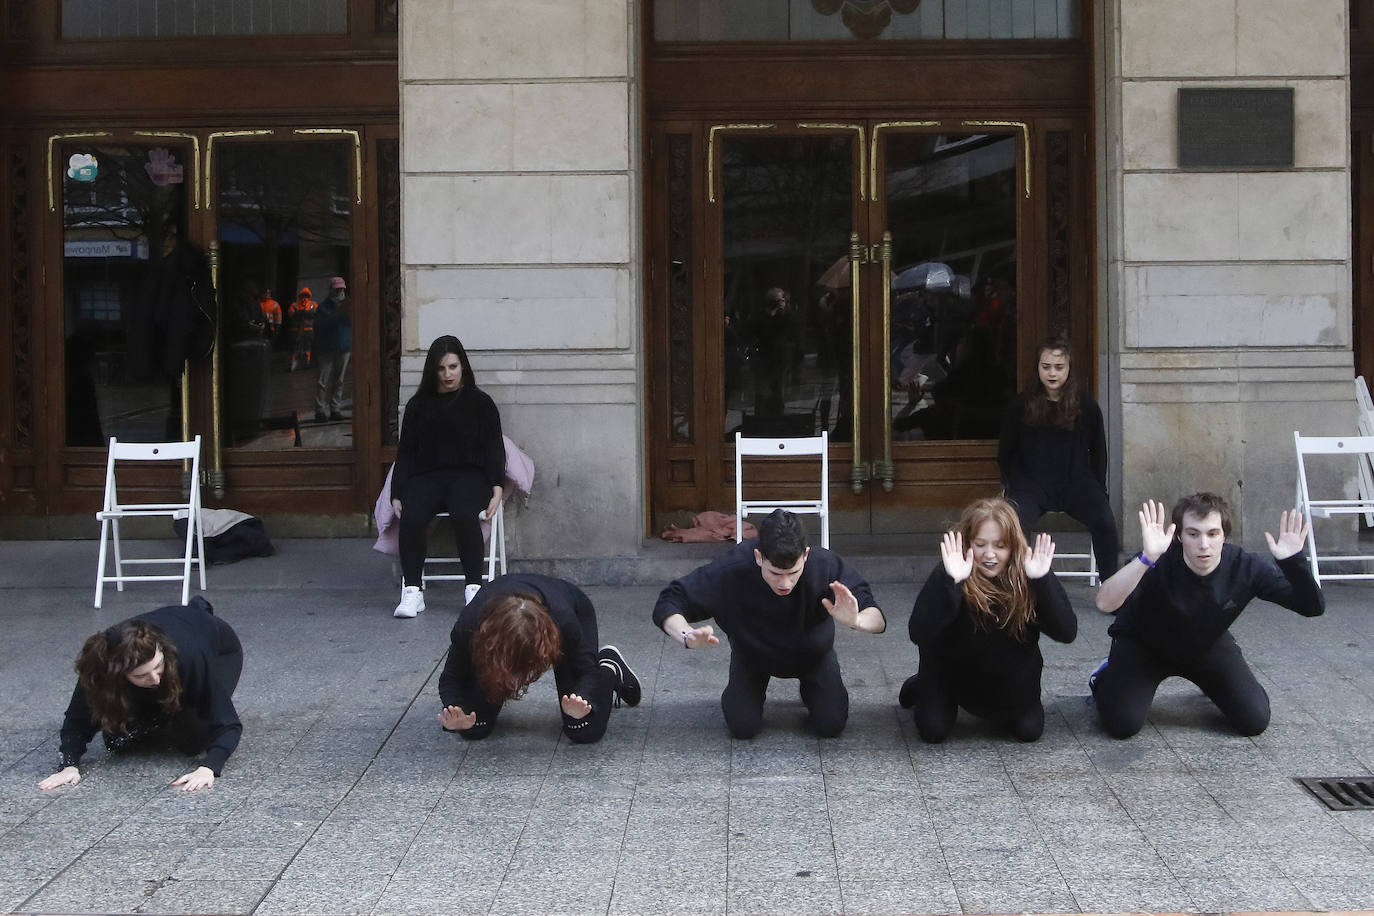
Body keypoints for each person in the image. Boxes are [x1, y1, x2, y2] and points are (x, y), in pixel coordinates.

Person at [1090, 494, 1324, 738]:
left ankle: (1215, 688)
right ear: (1179, 536)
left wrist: (1293, 563)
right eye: (1193, 534)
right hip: (1144, 647)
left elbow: (1312, 607)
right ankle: (1104, 675)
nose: (1204, 544)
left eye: (1212, 534)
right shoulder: (1158, 559)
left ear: (1224, 535)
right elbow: (1105, 603)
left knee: (1254, 720)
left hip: (1206, 643)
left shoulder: (1245, 566)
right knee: (1122, 725)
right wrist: (1146, 559)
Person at [651, 509, 886, 739]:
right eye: (775, 573)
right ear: (758, 557)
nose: (785, 583)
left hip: (814, 655)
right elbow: (669, 601)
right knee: (742, 727)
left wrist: (857, 620)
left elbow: (876, 617)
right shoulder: (732, 568)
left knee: (831, 724)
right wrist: (686, 636)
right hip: (753, 656)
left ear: (805, 555)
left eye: (793, 573)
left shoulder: (825, 565)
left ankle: (813, 690)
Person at [898, 497, 1076, 742]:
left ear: (1013, 546)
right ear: (968, 542)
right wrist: (951, 581)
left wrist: (1042, 580)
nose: (989, 554)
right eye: (980, 544)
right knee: (933, 730)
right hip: (952, 673)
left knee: (1029, 730)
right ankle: (922, 685)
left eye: (1000, 546)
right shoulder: (953, 569)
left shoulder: (1030, 571)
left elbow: (1067, 632)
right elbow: (918, 632)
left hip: (1008, 679)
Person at [37, 597, 243, 793]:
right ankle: (155, 713)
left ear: (162, 652)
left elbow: (228, 723)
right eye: (141, 675)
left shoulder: (189, 658)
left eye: (158, 667)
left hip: (220, 648)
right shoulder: (100, 667)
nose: (154, 678)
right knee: (119, 741)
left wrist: (209, 767)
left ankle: (162, 711)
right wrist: (69, 765)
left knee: (194, 738)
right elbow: (77, 719)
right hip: (168, 645)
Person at [437, 574, 640, 743]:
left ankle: (609, 666)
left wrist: (583, 697)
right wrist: (455, 709)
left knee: (582, 728)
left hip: (571, 606)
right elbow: (450, 677)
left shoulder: (565, 623)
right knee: (474, 727)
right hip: (495, 630)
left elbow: (587, 671)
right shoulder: (469, 626)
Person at [391, 335, 504, 618]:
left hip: (469, 475)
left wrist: (497, 486)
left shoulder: (480, 403)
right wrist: (396, 491)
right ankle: (412, 591)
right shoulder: (418, 405)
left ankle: (474, 589)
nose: (448, 374)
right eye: (441, 368)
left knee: (464, 513)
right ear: (433, 371)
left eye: (453, 367)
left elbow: (494, 448)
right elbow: (406, 453)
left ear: (462, 366)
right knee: (412, 514)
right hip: (428, 476)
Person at [998, 336, 1119, 575]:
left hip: (1077, 483)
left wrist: (1099, 488)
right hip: (1031, 484)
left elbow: (1098, 451)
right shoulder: (1021, 405)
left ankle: (1111, 584)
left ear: (1069, 368)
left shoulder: (1086, 405)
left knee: (1105, 521)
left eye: (1059, 367)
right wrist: (1010, 483)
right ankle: (1018, 584)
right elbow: (1006, 451)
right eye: (1046, 367)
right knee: (1013, 523)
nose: (1052, 373)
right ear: (1037, 368)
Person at [312, 276, 352, 422]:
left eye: (341, 289)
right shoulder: (323, 308)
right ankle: (320, 410)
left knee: (339, 380)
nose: (340, 292)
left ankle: (335, 408)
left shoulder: (348, 306)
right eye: (337, 289)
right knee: (323, 380)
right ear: (331, 290)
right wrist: (337, 314)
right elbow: (320, 326)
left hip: (344, 346)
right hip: (327, 348)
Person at [288, 287, 317, 371]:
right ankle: (293, 362)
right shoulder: (295, 305)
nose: (304, 298)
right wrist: (302, 313)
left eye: (306, 296)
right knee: (294, 346)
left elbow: (316, 313)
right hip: (296, 330)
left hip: (308, 329)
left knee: (308, 346)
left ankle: (307, 362)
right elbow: (291, 314)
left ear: (309, 296)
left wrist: (303, 313)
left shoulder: (313, 304)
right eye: (303, 296)